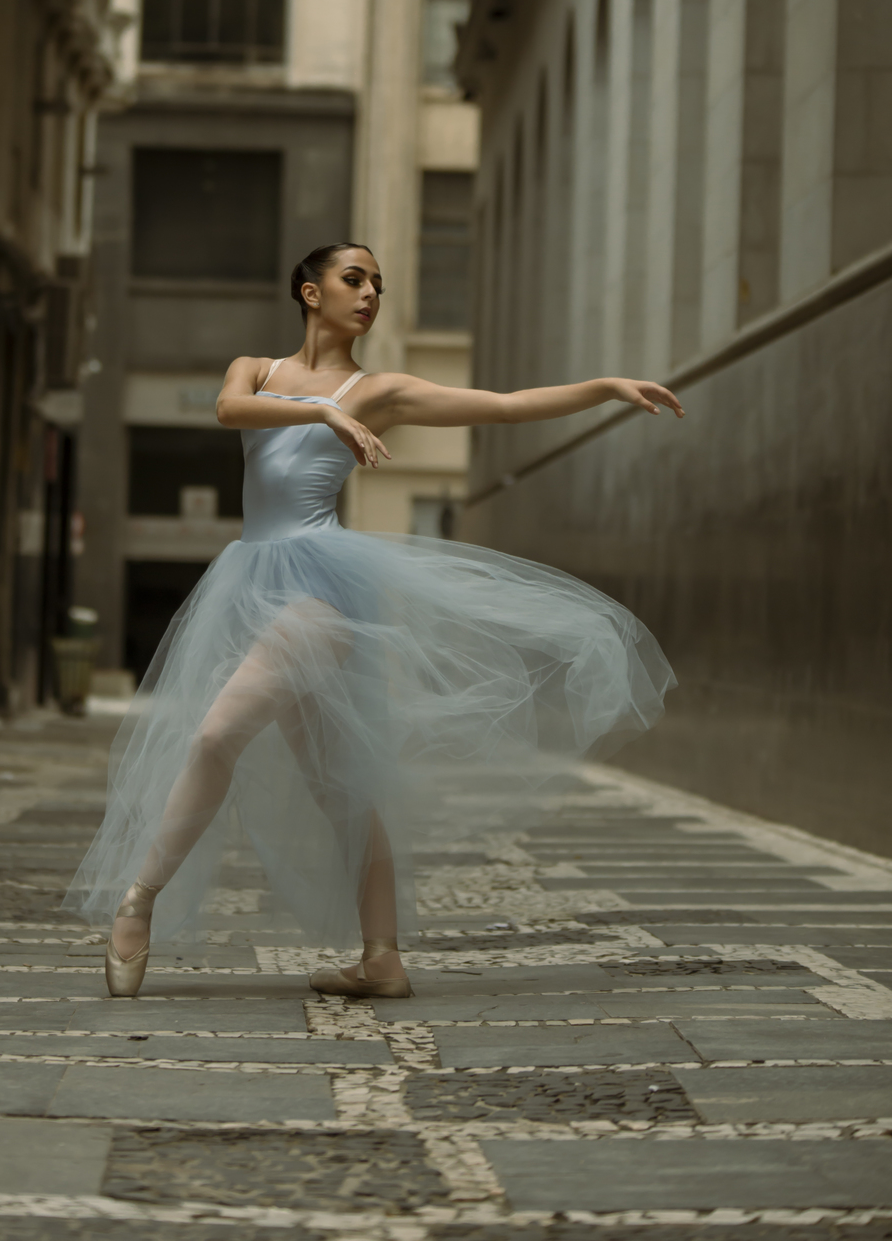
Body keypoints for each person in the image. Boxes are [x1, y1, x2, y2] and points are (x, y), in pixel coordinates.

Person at [63, 242, 682, 998]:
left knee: (216, 735)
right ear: (309, 291)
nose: (369, 296)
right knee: (339, 785)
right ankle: (382, 958)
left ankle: (138, 902)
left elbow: (505, 404)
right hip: (251, 580)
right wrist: (325, 410)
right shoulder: (254, 369)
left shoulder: (380, 389)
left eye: (377, 286)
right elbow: (229, 410)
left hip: (321, 591)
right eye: (353, 280)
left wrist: (605, 387)